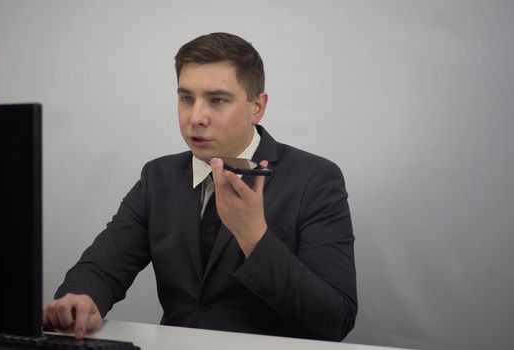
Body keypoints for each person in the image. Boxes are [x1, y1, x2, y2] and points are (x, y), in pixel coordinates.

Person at [43, 32, 357, 342]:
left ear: (257, 106)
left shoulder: (315, 179)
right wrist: (81, 300)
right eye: (186, 98)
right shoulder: (158, 176)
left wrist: (254, 237)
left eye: (217, 100)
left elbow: (334, 321)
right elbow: (102, 267)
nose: (196, 117)